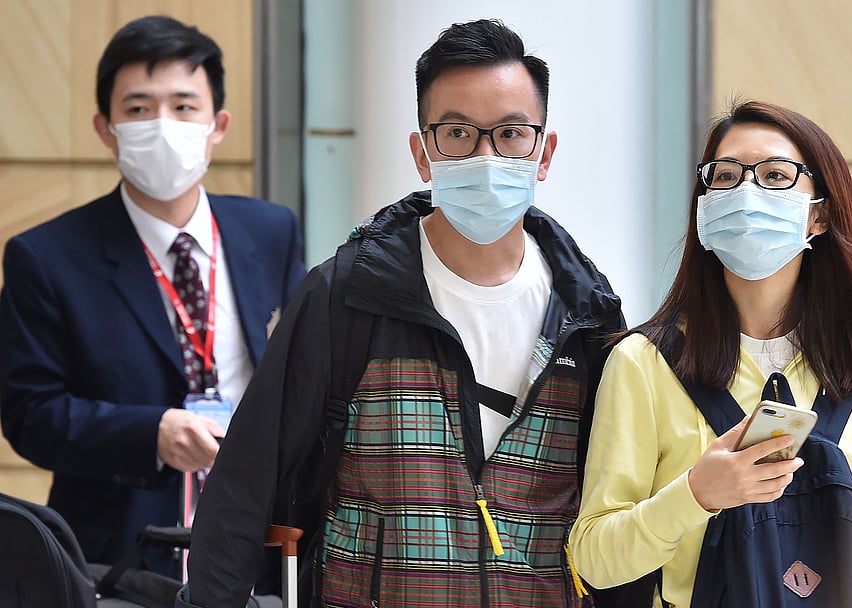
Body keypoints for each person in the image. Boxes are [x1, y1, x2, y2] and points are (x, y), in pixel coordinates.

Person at [181, 18, 625, 608]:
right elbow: (244, 482)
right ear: (422, 153)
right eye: (458, 133)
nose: (486, 154)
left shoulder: (589, 312)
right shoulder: (346, 295)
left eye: (512, 133)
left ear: (543, 152)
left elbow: (613, 510)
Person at [0, 15, 306, 580]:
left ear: (218, 124)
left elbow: (301, 373)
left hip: (260, 544)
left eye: (184, 106)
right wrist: (150, 434)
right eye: (138, 109)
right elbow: (30, 413)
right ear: (104, 127)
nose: (163, 125)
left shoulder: (271, 231)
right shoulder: (46, 257)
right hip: (119, 557)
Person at [569, 100, 852, 606]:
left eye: (774, 174)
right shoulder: (644, 363)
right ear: (704, 206)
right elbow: (593, 557)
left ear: (820, 215)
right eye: (724, 176)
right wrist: (695, 495)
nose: (746, 192)